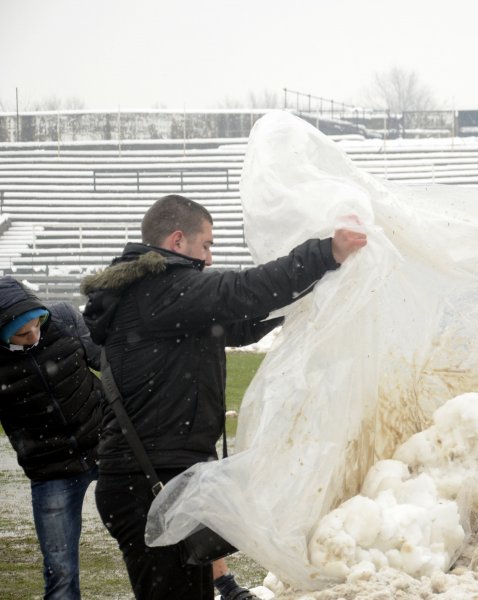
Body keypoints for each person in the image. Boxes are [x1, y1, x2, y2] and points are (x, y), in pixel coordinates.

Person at [80, 194, 367, 600]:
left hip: (160, 475)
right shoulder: (160, 289)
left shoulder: (163, 296)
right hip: (146, 481)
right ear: (178, 240)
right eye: (207, 244)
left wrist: (310, 297)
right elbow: (242, 291)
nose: (210, 257)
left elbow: (239, 323)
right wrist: (325, 253)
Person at [0, 276, 104, 600]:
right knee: (60, 571)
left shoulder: (63, 318)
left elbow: (107, 362)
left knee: (154, 535)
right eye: (22, 333)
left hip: (109, 446)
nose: (34, 335)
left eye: (36, 325)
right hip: (51, 471)